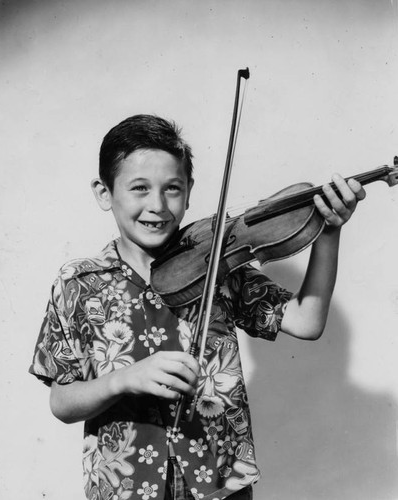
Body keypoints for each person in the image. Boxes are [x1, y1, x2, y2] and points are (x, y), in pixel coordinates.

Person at [29, 114, 366, 500]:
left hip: (221, 482)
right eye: (139, 188)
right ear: (104, 193)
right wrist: (122, 379)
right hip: (125, 485)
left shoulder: (217, 267)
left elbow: (307, 321)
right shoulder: (78, 284)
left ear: (189, 191)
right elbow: (62, 401)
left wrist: (328, 231)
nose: (157, 205)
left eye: (172, 188)